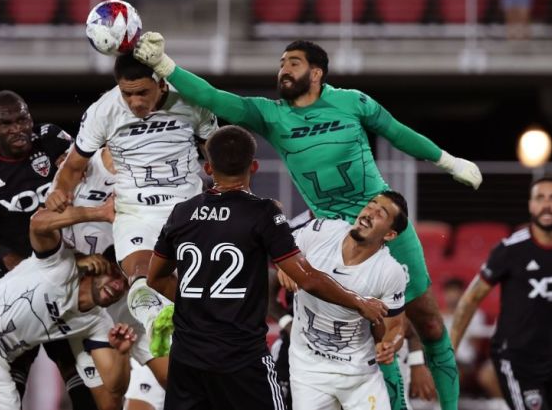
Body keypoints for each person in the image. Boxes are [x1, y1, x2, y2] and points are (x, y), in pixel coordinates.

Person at [134, 34, 483, 410]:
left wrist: (449, 162)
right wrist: (165, 66)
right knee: (370, 334)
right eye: (281, 63)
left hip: (380, 220)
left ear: (316, 72)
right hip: (329, 232)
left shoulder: (352, 102)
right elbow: (214, 98)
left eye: (293, 62)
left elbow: (397, 133)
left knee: (429, 324)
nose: (284, 69)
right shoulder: (270, 114)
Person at [147, 126, 387, 410]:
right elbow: (306, 278)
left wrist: (199, 305)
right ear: (254, 166)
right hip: (241, 360)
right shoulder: (263, 212)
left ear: (209, 167)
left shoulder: (182, 212)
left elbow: (155, 278)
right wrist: (358, 302)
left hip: (188, 359)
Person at [46, 54, 218, 338]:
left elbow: (218, 155)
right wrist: (58, 192)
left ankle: (203, 325)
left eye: (142, 93)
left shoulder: (190, 100)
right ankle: (155, 322)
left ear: (161, 83)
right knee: (140, 272)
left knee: (200, 285)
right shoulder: (104, 110)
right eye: (127, 94)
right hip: (136, 211)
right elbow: (73, 166)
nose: (135, 102)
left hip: (189, 209)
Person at [0, 196, 135, 410]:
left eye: (126, 285)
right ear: (101, 263)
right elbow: (38, 222)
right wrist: (100, 212)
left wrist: (123, 353)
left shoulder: (97, 322)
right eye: (116, 274)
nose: (118, 286)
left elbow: (114, 390)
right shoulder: (60, 265)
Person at [0, 90, 96, 408]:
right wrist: (9, 258)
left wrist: (76, 166)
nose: (19, 128)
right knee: (12, 365)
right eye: (7, 123)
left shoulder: (51, 137)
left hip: (65, 267)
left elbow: (90, 169)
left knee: (75, 360)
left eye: (23, 119)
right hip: (15, 280)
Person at [277, 191, 409, 410]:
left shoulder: (390, 271)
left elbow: (395, 328)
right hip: (308, 370)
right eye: (371, 205)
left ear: (390, 235)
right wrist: (285, 265)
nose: (369, 213)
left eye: (381, 213)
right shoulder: (321, 231)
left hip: (359, 376)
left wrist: (390, 345)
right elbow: (281, 250)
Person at [65, 147, 168, 410]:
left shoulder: (159, 179)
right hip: (83, 315)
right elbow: (40, 228)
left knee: (177, 380)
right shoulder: (74, 169)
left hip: (133, 305)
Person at [450, 176, 552, 410]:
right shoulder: (510, 250)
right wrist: (450, 350)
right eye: (540, 198)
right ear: (531, 205)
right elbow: (471, 299)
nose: (547, 204)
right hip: (519, 361)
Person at [440, 278, 498, 398]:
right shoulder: (438, 317)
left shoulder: (475, 315)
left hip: (464, 363)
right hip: (440, 359)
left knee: (449, 373)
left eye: (454, 292)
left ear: (462, 293)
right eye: (449, 292)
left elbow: (475, 347)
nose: (451, 296)